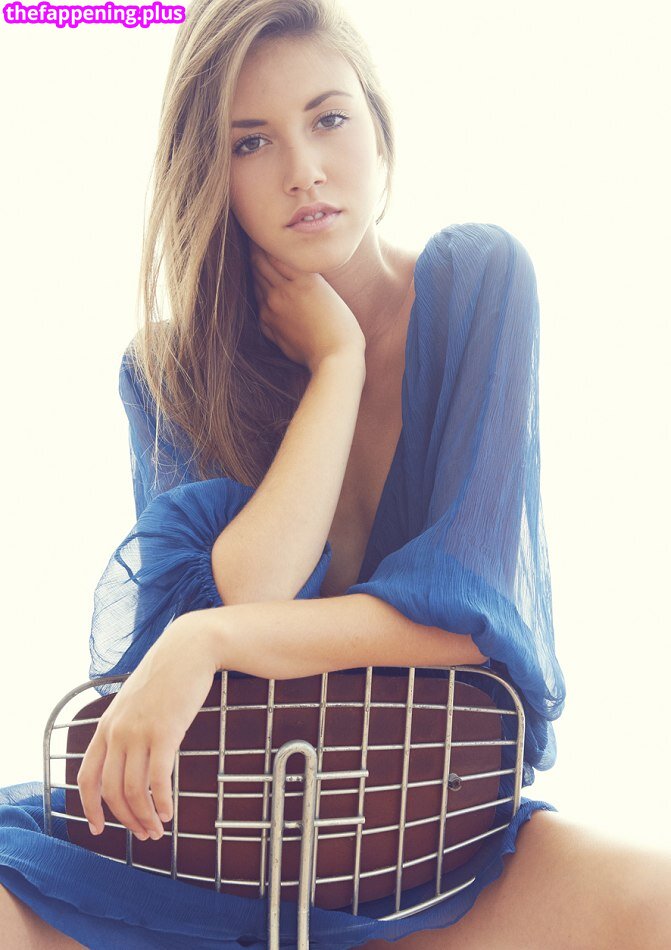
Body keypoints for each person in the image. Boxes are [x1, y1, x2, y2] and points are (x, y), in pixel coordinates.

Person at [1, 0, 670, 946]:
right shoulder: (169, 371)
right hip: (220, 841)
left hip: (430, 831)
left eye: (328, 119)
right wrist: (335, 368)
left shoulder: (478, 285)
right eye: (250, 142)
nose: (303, 170)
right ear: (210, 174)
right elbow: (246, 597)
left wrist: (206, 640)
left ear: (378, 128)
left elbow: (467, 621)